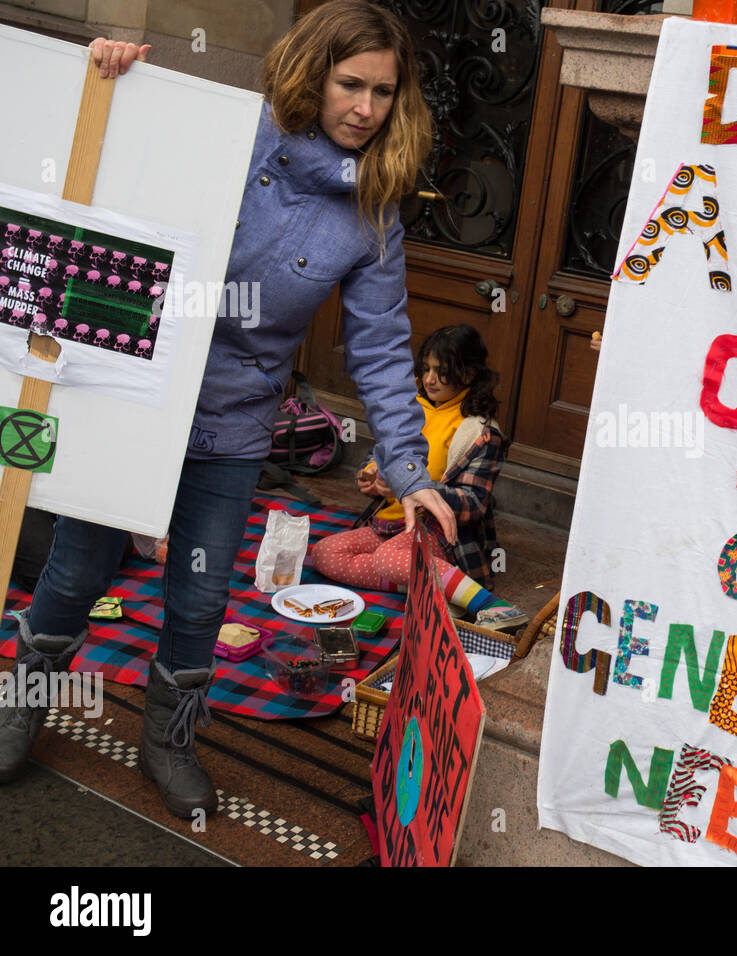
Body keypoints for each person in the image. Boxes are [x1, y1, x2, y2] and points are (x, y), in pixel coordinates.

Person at [0, 1, 457, 819]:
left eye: (384, 92)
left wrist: (411, 470)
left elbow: (383, 349)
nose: (366, 108)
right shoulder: (230, 135)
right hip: (137, 394)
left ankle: (168, 741)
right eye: (350, 84)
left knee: (202, 594)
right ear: (313, 76)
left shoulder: (373, 211)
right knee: (75, 570)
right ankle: (22, 704)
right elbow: (109, 161)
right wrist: (107, 78)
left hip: (234, 423)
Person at [312, 324, 528, 631]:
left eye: (441, 372)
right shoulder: (409, 406)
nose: (429, 379)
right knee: (326, 553)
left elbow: (474, 503)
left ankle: (493, 607)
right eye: (425, 369)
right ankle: (439, 588)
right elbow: (383, 453)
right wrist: (373, 474)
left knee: (388, 557)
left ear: (468, 374)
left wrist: (420, 488)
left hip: (440, 532)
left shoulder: (480, 432)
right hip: (391, 523)